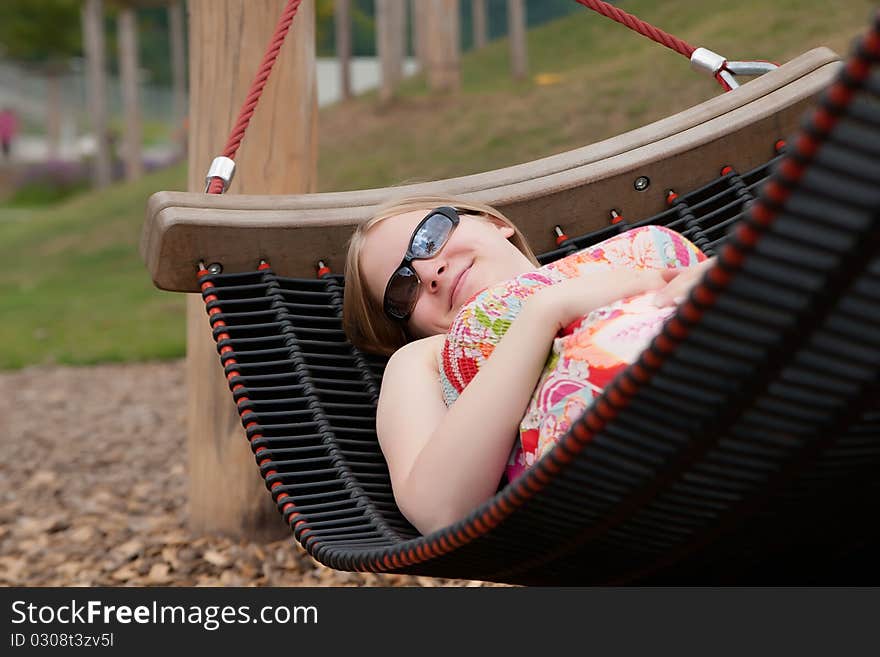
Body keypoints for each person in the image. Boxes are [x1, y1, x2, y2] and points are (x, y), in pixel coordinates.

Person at [342, 195, 715, 535]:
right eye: (403, 289)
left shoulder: (629, 257)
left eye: (429, 237)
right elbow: (440, 510)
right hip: (643, 484)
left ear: (492, 223)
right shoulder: (426, 357)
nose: (428, 273)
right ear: (411, 329)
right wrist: (543, 313)